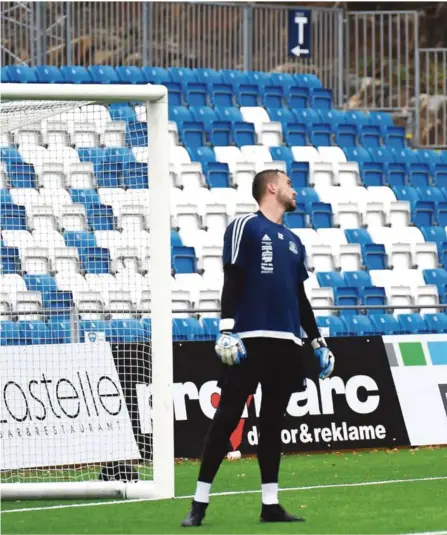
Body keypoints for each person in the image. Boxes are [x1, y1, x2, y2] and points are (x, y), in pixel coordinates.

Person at [181, 169, 335, 527]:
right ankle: (199, 503)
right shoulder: (245, 226)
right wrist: (226, 329)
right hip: (249, 339)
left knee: (272, 423)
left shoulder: (295, 240)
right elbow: (232, 277)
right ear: (271, 187)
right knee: (227, 417)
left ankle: (270, 504)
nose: (294, 190)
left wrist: (317, 341)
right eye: (289, 183)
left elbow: (300, 296)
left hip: (286, 343)